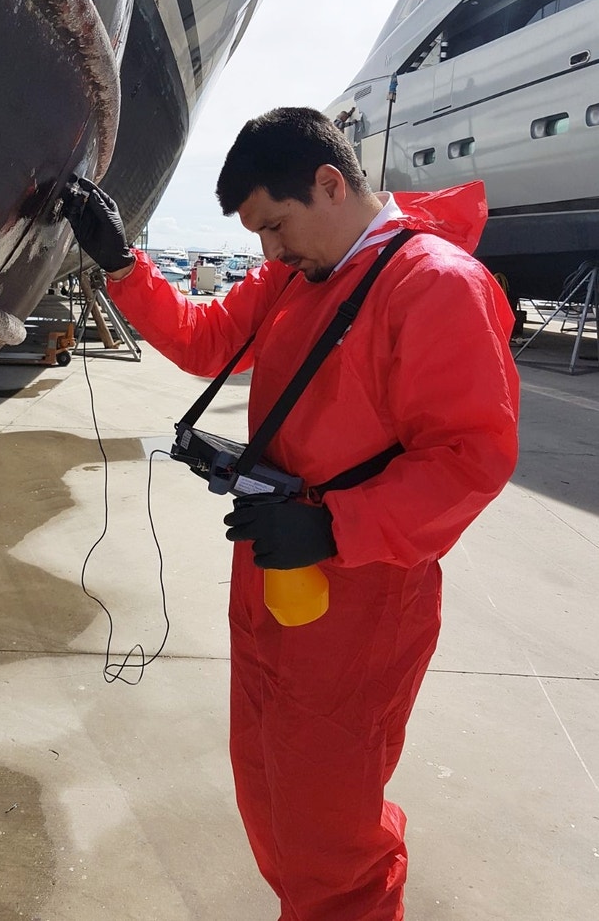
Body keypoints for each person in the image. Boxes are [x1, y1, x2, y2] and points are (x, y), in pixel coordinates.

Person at [62, 107, 519, 921]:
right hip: (277, 562)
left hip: (362, 590)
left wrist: (338, 526)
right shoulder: (300, 272)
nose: (266, 251)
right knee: (272, 786)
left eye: (274, 226)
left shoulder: (436, 284)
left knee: (328, 822)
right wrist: (123, 264)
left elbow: (470, 458)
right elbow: (208, 342)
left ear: (330, 183)